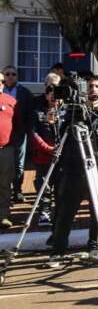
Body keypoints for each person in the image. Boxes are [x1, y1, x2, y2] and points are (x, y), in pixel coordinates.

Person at [49, 76, 98, 265]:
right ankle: (58, 250)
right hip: (75, 170)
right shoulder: (73, 112)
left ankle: (94, 248)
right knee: (65, 212)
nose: (93, 89)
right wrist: (54, 122)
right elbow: (62, 138)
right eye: (90, 86)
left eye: (97, 86)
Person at [29, 73, 62, 227]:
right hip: (43, 156)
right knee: (44, 186)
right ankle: (44, 212)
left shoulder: (66, 109)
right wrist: (49, 149)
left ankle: (60, 214)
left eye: (56, 89)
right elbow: (33, 132)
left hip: (62, 156)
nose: (53, 93)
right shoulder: (37, 108)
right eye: (50, 89)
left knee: (61, 186)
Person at [2, 65, 33, 203]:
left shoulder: (25, 92)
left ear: (17, 76)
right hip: (3, 134)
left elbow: (30, 112)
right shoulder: (1, 91)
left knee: (18, 163)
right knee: (4, 163)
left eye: (13, 74)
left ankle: (17, 190)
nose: (10, 76)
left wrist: (26, 129)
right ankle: (5, 192)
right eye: (7, 74)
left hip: (19, 133)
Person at [0, 71, 17, 229]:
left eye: (1, 81)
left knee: (5, 183)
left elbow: (18, 123)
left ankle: (3, 215)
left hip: (6, 149)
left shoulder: (11, 101)